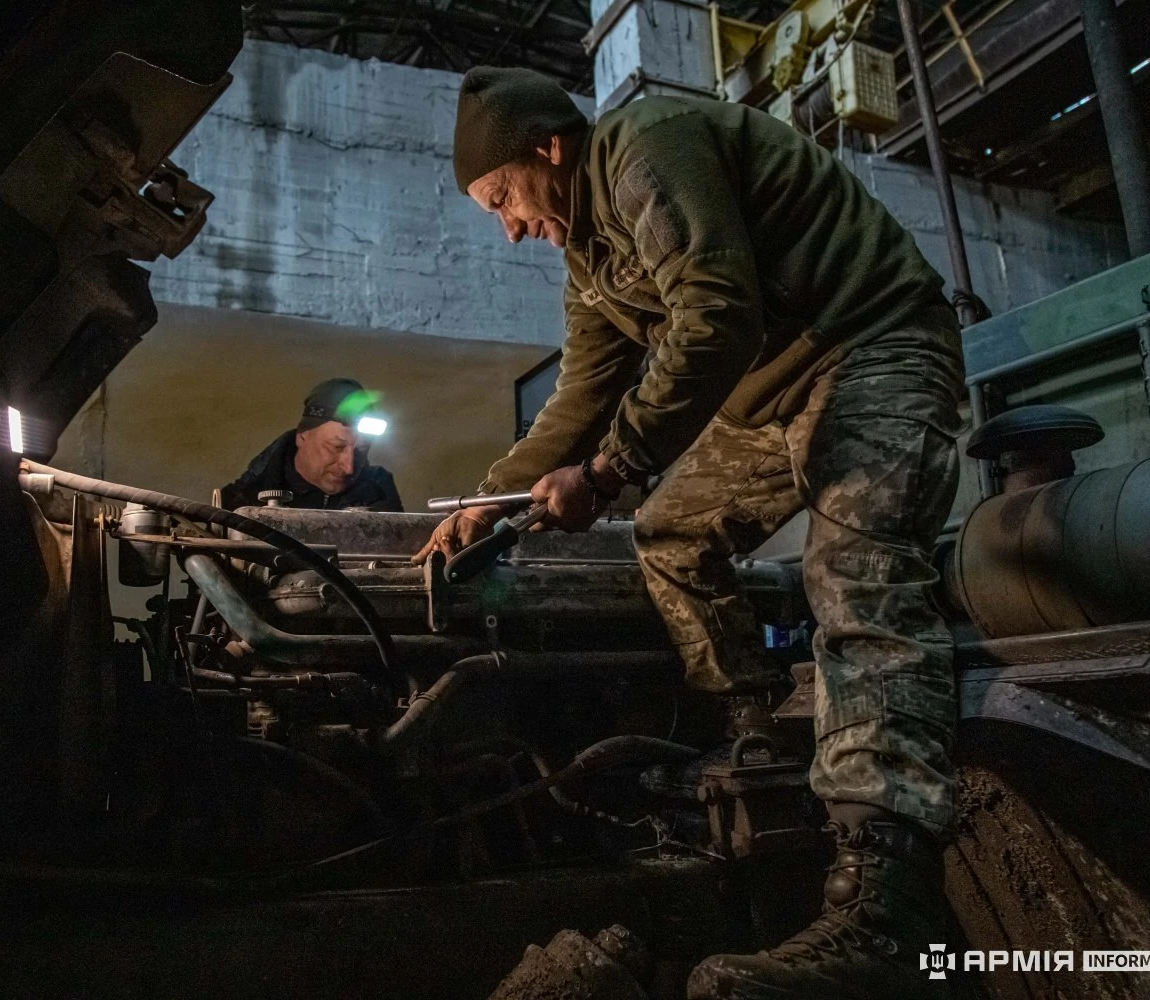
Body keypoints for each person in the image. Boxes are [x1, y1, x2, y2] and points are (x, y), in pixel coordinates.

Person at [415, 66, 965, 999]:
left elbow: (716, 314)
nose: (508, 227)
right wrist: (492, 498)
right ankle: (757, 748)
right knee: (670, 534)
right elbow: (584, 393)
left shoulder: (645, 149)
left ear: (548, 146)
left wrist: (611, 472)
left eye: (503, 198)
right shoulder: (589, 255)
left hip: (871, 342)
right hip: (775, 396)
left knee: (856, 573)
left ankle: (888, 906)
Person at [220, 378, 402, 512]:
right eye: (336, 447)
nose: (349, 467)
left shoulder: (380, 493)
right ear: (302, 437)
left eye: (362, 451)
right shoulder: (239, 502)